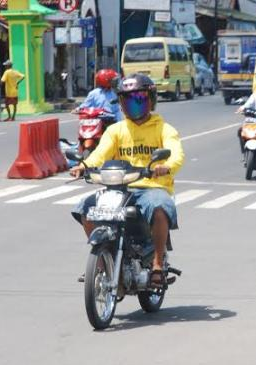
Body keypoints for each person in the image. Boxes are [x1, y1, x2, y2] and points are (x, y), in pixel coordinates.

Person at [70, 73, 185, 288]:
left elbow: (176, 154)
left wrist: (166, 167)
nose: (133, 104)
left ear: (151, 100)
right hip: (119, 188)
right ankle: (103, 263)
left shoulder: (164, 129)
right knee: (85, 208)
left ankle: (158, 265)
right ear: (121, 103)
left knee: (160, 206)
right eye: (127, 100)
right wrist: (84, 166)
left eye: (139, 98)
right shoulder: (115, 130)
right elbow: (100, 154)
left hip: (151, 187)